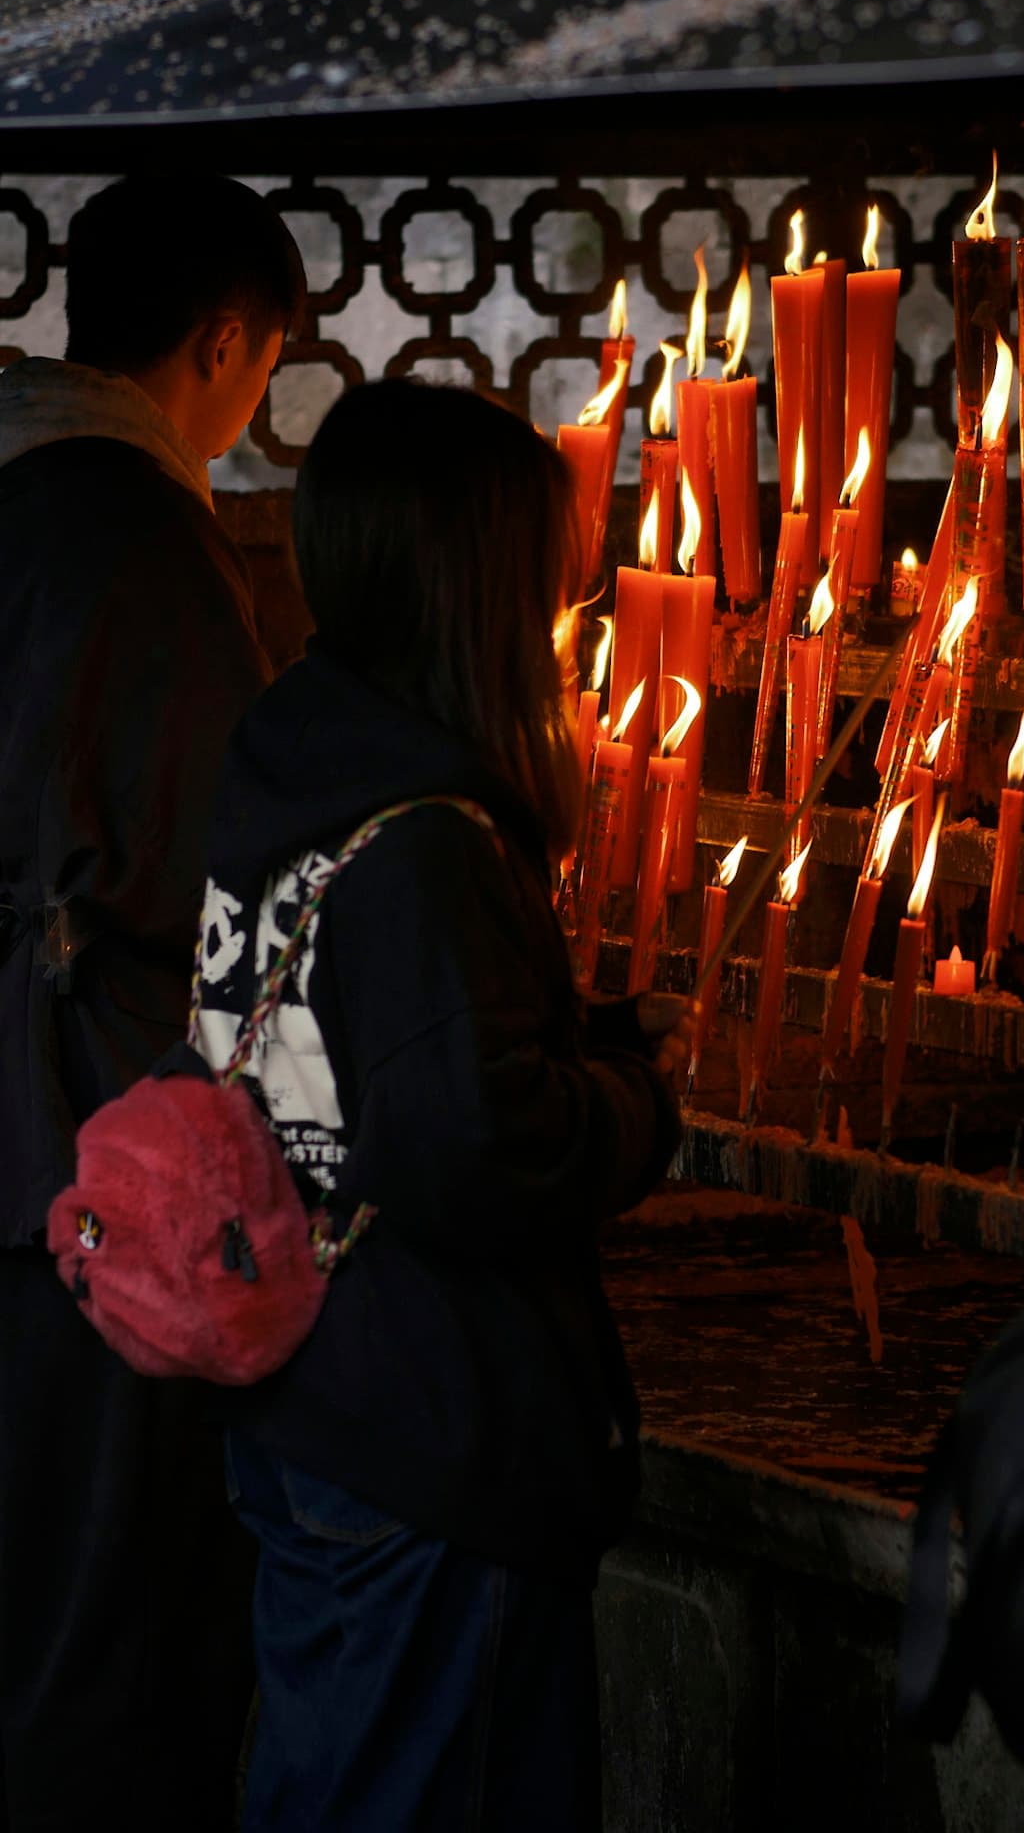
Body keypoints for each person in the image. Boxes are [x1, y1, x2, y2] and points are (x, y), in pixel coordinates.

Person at [190, 377, 687, 1831]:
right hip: (426, 1427)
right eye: (547, 565)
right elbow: (467, 1148)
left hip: (310, 1388)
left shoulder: (296, 760)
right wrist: (639, 1099)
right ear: (482, 583)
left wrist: (565, 1029)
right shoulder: (430, 837)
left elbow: (346, 1045)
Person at [0, 176, 303, 1830]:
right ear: (224, 342)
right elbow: (220, 873)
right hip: (67, 1131)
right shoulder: (130, 533)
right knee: (93, 1595)